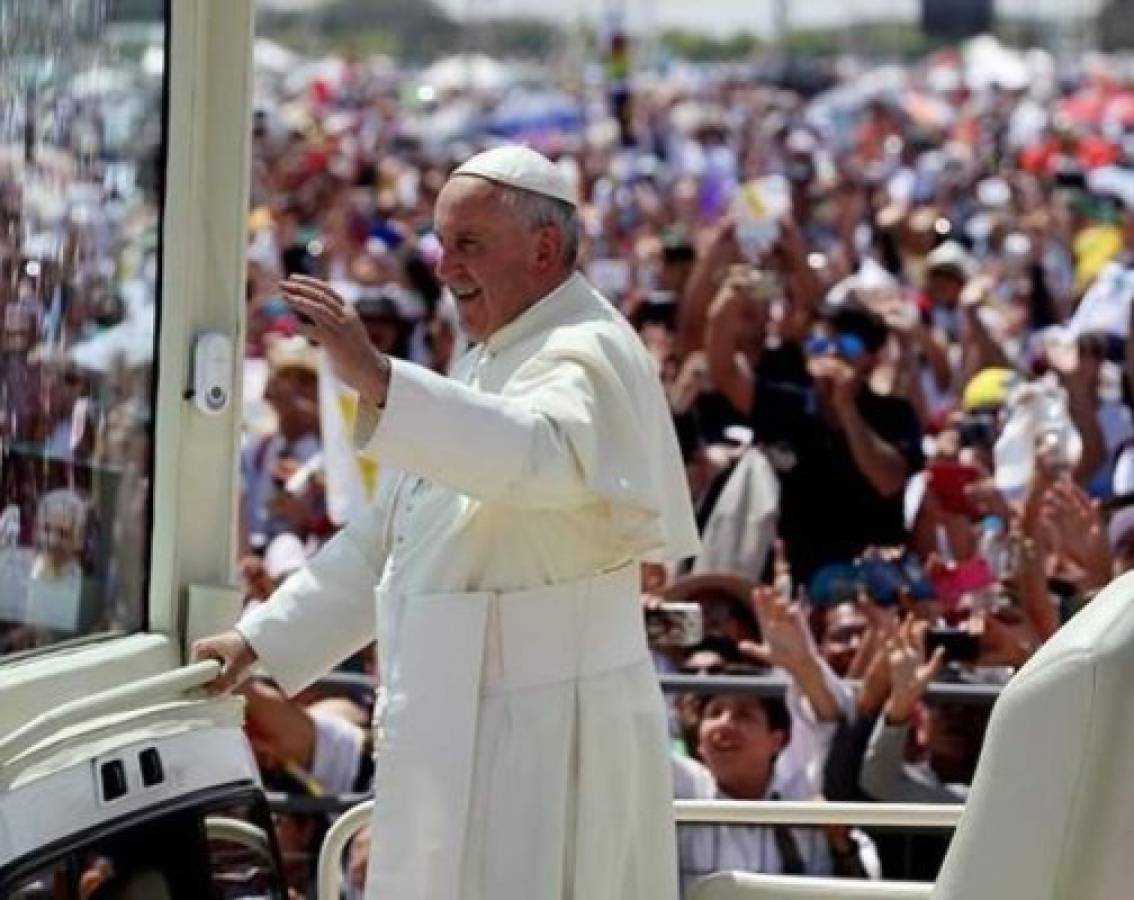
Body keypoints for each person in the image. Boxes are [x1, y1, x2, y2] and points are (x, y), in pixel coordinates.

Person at [193, 145, 700, 900]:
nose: (443, 266)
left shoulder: (585, 349)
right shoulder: (489, 355)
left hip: (549, 735)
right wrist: (258, 639)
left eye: (468, 244)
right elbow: (388, 538)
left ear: (543, 248)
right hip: (454, 720)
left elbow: (538, 454)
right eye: (440, 243)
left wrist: (380, 379)